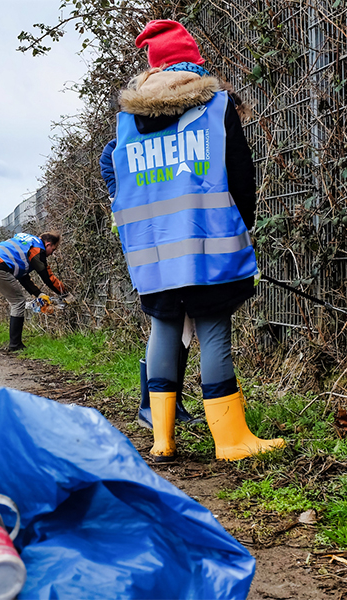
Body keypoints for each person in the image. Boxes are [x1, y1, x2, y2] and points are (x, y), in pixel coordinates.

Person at [100, 19, 285, 462]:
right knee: (214, 326)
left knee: (164, 327)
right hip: (209, 242)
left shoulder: (127, 123)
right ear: (193, 63)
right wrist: (243, 226)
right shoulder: (215, 107)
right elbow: (241, 174)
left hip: (152, 251)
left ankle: (162, 439)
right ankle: (230, 439)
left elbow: (115, 173)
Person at [0, 232, 66, 355]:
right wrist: (64, 293)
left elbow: (22, 276)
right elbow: (47, 276)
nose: (51, 254)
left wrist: (38, 294)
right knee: (18, 302)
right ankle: (15, 344)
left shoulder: (27, 242)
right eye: (52, 250)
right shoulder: (38, 249)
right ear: (48, 244)